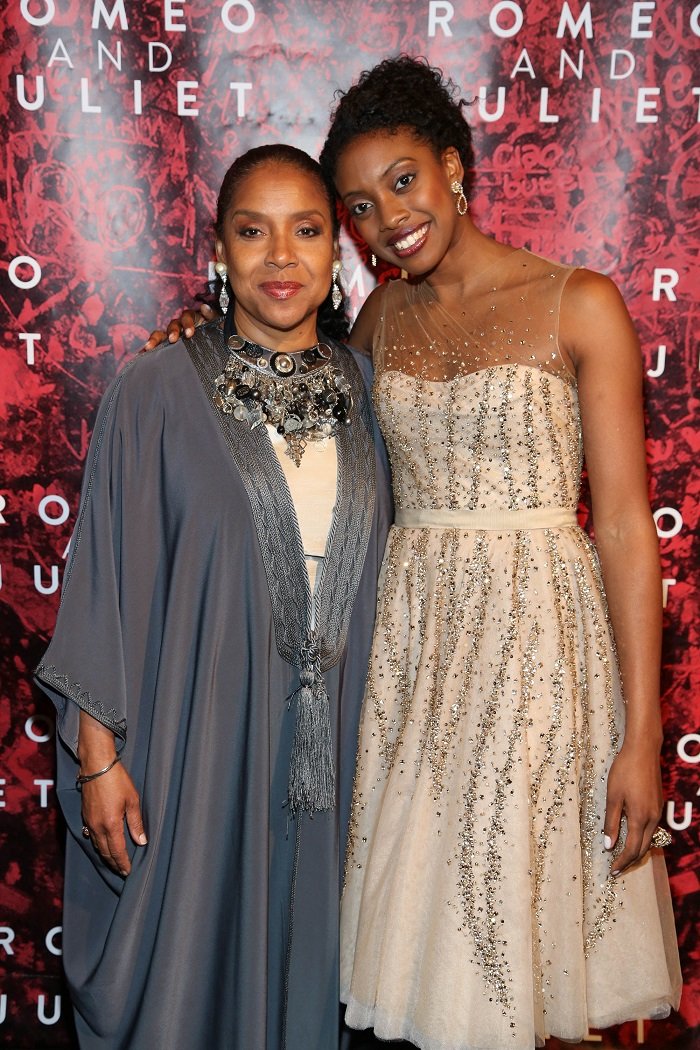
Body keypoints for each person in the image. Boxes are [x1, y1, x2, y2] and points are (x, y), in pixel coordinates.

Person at [148, 56, 681, 1050]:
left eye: (402, 181)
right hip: (417, 667)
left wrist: (640, 737)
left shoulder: (580, 301)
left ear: (454, 167)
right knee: (434, 977)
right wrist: (202, 336)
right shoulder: (381, 320)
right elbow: (284, 382)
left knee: (531, 963)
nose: (386, 217)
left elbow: (621, 528)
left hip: (542, 663)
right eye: (356, 205)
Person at [35, 144, 392, 1050]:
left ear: (339, 251)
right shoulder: (153, 392)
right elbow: (104, 577)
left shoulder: (378, 397)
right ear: (218, 254)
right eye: (253, 232)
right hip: (197, 756)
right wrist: (98, 758)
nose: (281, 257)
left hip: (347, 763)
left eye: (306, 230)